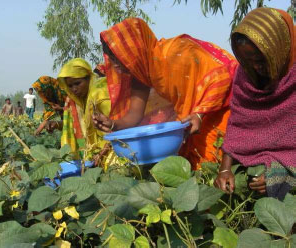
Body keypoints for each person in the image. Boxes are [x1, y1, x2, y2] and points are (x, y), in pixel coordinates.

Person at [92, 18, 238, 169]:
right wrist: (113, 124)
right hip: (195, 117)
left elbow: (222, 76)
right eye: (112, 58)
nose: (115, 65)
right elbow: (134, 115)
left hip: (225, 103)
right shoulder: (140, 74)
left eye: (119, 57)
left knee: (209, 164)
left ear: (135, 50)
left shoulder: (176, 54)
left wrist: (200, 113)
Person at [214, 8, 295, 200]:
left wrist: (283, 177)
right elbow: (238, 122)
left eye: (260, 60)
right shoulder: (246, 75)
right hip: (255, 172)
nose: (256, 68)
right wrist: (225, 169)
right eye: (248, 62)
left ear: (279, 49)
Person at [45, 58, 118, 168]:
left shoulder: (100, 93)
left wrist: (102, 153)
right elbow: (78, 122)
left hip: (115, 155)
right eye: (70, 86)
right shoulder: (78, 101)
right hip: (95, 156)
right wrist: (57, 124)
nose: (74, 89)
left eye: (77, 83)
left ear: (89, 78)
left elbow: (116, 129)